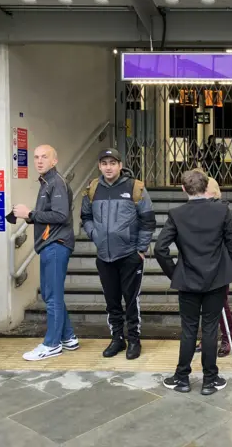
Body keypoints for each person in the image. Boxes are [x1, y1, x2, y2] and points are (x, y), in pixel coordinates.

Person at [155, 170, 232, 395]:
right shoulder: (222, 211)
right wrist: (224, 268)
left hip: (187, 279)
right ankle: (209, 380)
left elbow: (160, 249)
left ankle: (182, 378)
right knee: (211, 329)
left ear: (183, 189)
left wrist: (175, 273)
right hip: (216, 280)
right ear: (206, 187)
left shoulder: (176, 214)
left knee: (188, 329)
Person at [80, 148, 156, 360]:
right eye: (104, 163)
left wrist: (140, 249)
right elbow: (85, 216)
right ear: (99, 166)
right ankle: (117, 339)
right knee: (111, 300)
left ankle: (133, 339)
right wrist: (94, 234)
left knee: (131, 301)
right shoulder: (93, 189)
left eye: (112, 162)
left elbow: (148, 220)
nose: (108, 167)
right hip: (104, 255)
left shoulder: (135, 187)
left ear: (120, 165)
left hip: (129, 255)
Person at [14, 145, 79, 361]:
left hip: (56, 244)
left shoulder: (56, 182)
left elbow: (60, 215)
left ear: (54, 160)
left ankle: (52, 344)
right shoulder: (47, 182)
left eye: (45, 157)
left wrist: (30, 213)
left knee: (52, 297)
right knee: (53, 294)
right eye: (36, 157)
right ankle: (68, 337)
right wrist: (30, 216)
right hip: (51, 243)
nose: (39, 161)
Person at [192, 169, 232, 358]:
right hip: (200, 264)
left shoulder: (222, 210)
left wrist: (226, 264)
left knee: (221, 304)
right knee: (204, 305)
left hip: (218, 264)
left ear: (213, 192)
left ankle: (227, 338)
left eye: (204, 189)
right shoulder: (196, 208)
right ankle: (207, 338)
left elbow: (231, 242)